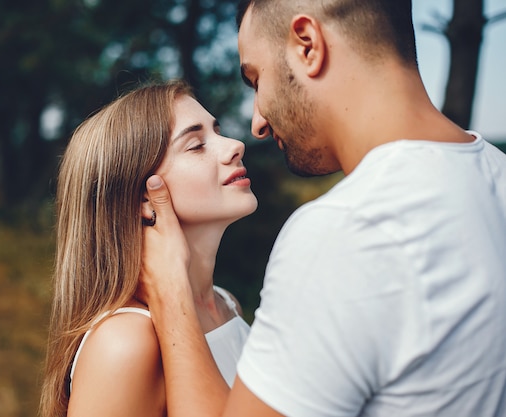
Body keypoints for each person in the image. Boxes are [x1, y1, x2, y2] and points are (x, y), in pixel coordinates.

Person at [138, 0, 506, 416]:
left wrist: (170, 291)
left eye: (256, 79)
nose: (257, 122)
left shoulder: (344, 232)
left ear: (308, 45)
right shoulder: (497, 172)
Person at [39, 80, 258, 417]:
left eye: (219, 131)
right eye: (197, 145)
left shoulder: (225, 304)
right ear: (143, 198)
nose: (235, 145)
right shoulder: (125, 341)